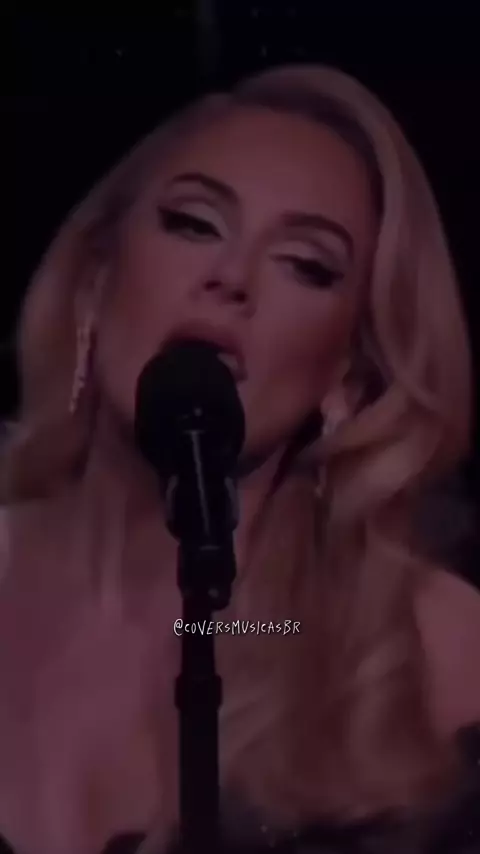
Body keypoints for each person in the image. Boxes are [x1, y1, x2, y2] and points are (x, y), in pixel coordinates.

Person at [0, 64, 479, 854]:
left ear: (348, 375)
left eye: (306, 265)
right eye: (194, 223)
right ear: (93, 285)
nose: (231, 278)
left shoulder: (429, 651)